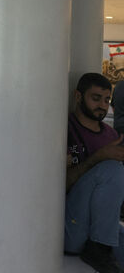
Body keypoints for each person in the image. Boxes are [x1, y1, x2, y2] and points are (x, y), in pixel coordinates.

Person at [66, 72, 124, 273]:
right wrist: (99, 157)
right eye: (96, 98)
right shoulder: (64, 129)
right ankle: (98, 248)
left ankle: (100, 246)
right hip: (69, 228)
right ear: (78, 96)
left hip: (101, 229)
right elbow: (58, 186)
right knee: (110, 168)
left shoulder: (110, 135)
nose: (102, 105)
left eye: (107, 99)